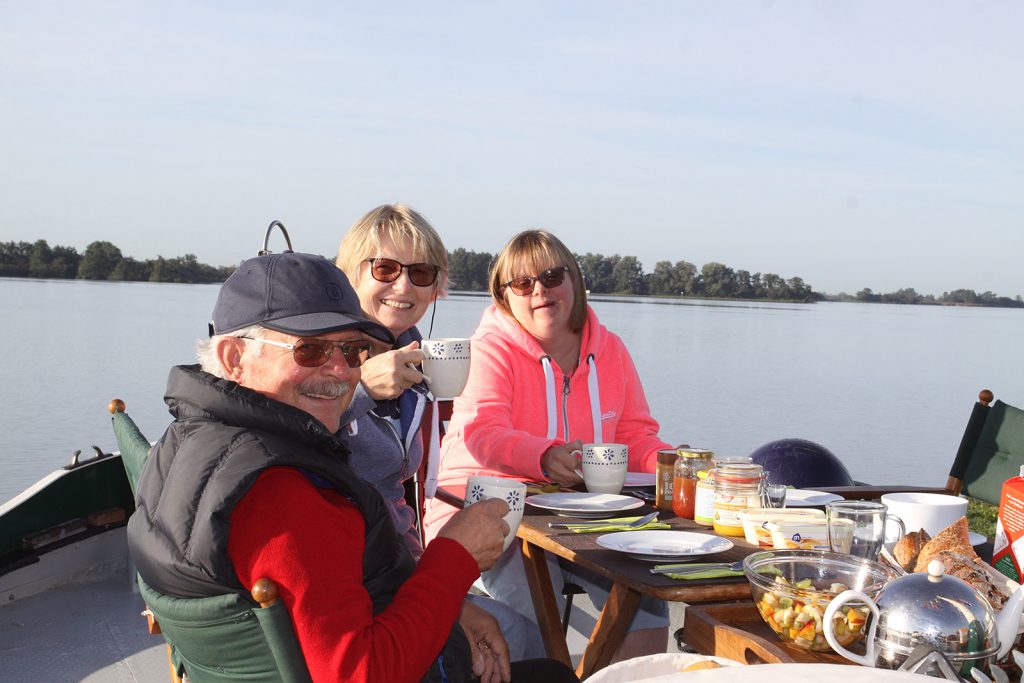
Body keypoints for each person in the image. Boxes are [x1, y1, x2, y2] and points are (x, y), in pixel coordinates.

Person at [126, 248, 577, 683]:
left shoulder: (183, 445)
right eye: (310, 351)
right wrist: (455, 556)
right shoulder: (287, 492)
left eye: (353, 350)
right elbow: (362, 675)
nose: (342, 372)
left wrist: (452, 604)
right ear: (234, 357)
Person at [423, 229, 675, 662]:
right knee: (539, 605)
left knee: (645, 599)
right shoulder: (488, 350)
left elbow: (635, 437)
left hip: (584, 520)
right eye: (522, 283)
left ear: (573, 281)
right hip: (488, 513)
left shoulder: (610, 350)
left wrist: (678, 466)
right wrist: (542, 456)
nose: (539, 289)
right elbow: (483, 434)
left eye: (552, 276)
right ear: (504, 296)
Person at [335, 203, 544, 661]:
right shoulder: (319, 356)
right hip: (345, 583)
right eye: (385, 268)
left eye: (421, 273)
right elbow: (285, 439)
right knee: (522, 642)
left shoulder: (412, 363)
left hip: (395, 569)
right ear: (350, 272)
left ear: (436, 288)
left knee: (524, 636)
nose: (403, 286)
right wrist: (362, 388)